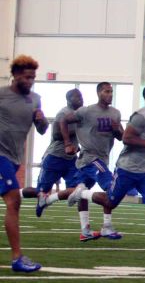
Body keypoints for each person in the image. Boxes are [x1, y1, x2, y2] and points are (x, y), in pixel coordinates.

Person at [70, 84, 145, 258]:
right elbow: (126, 138)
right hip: (127, 168)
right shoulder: (140, 116)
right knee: (110, 203)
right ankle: (83, 194)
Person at [0, 55, 49, 272]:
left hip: (14, 158)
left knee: (13, 202)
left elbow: (42, 129)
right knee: (14, 201)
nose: (30, 81)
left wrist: (41, 120)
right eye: (27, 77)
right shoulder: (1, 95)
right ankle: (17, 258)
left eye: (33, 78)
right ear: (16, 75)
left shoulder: (35, 99)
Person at [61, 82, 124, 242]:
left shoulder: (115, 113)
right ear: (98, 93)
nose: (110, 94)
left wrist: (117, 130)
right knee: (111, 188)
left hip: (103, 158)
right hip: (90, 158)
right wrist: (68, 143)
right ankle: (107, 226)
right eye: (106, 91)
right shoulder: (86, 111)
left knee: (82, 193)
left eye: (111, 91)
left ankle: (85, 230)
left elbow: (122, 137)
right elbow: (63, 120)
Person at [27, 89, 83, 222]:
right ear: (69, 99)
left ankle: (50, 200)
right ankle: (20, 193)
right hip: (55, 157)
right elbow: (56, 134)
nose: (81, 99)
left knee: (76, 189)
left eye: (81, 97)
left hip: (71, 159)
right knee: (41, 190)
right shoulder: (63, 113)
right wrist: (74, 134)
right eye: (77, 97)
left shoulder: (81, 114)